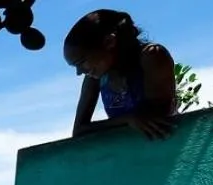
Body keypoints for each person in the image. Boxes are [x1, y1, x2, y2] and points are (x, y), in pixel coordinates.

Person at [64, 9, 177, 140]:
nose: (79, 72)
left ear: (109, 42)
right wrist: (128, 119)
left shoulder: (151, 56)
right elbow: (79, 130)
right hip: (130, 151)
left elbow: (155, 116)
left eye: (81, 62)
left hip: (167, 143)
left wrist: (127, 121)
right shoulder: (95, 78)